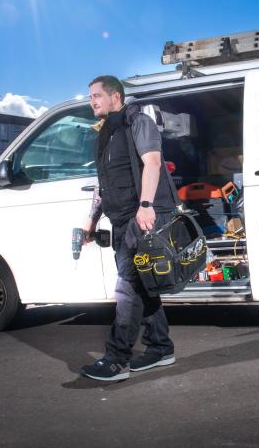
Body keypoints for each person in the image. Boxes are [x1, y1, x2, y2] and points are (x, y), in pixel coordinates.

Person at [80, 75, 177, 381]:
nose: (92, 100)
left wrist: (146, 206)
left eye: (97, 95)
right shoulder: (105, 134)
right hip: (121, 221)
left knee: (127, 288)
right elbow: (104, 184)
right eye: (90, 96)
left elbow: (152, 162)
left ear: (116, 97)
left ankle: (117, 359)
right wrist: (92, 220)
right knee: (144, 286)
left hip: (141, 217)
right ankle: (160, 347)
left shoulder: (137, 121)